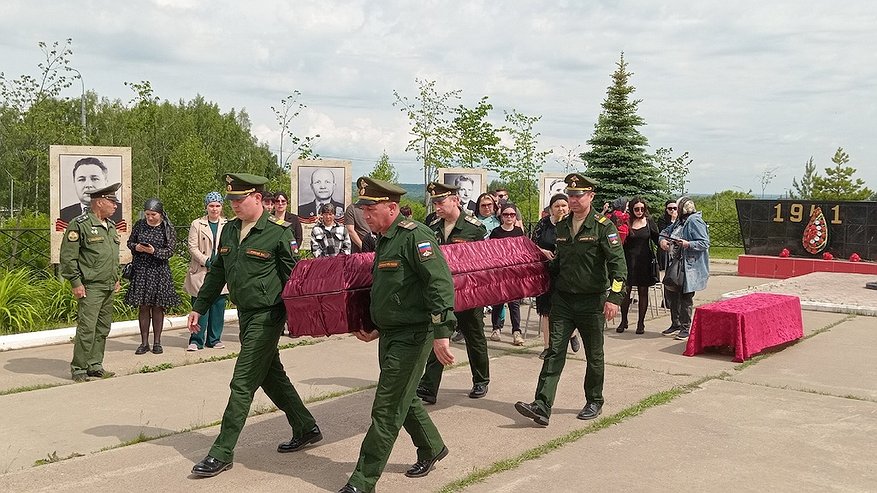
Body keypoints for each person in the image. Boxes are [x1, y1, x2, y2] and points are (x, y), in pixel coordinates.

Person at [188, 173, 321, 478]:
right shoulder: (231, 230)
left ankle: (221, 451)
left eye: (239, 199)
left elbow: (293, 280)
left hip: (268, 315)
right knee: (271, 375)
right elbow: (217, 273)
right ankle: (305, 426)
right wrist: (199, 307)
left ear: (258, 198)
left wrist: (299, 318)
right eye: (230, 199)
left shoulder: (277, 232)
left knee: (243, 380)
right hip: (245, 314)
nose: (233, 204)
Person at [339, 177, 456, 493]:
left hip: (413, 336)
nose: (365, 214)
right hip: (391, 334)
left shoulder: (415, 236)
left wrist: (443, 332)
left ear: (392, 207)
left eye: (370, 207)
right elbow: (392, 290)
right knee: (404, 397)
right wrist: (377, 325)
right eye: (362, 208)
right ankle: (432, 446)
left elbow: (439, 283)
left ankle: (363, 481)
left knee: (387, 407)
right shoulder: (384, 239)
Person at [515, 173, 627, 426]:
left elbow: (619, 266)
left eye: (578, 195)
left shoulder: (603, 226)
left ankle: (594, 400)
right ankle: (542, 406)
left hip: (592, 301)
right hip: (564, 300)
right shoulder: (562, 226)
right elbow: (560, 263)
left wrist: (614, 298)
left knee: (594, 354)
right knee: (554, 351)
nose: (573, 200)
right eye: (570, 195)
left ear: (591, 196)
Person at [416, 182, 489, 405]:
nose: (437, 207)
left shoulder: (474, 228)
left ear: (456, 200)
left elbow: (484, 263)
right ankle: (429, 386)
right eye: (434, 203)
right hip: (442, 295)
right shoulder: (433, 228)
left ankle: (480, 380)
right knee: (439, 335)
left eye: (441, 202)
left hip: (468, 293)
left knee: (474, 336)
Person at [59, 183, 122, 382]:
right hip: (90, 286)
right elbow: (69, 257)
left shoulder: (110, 226)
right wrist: (76, 283)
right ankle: (79, 368)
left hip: (108, 285)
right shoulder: (80, 224)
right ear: (100, 202)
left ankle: (95, 365)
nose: (115, 206)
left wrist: (116, 278)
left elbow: (112, 256)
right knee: (87, 328)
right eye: (112, 202)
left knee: (103, 328)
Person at [126, 198, 181, 355]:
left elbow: (170, 251)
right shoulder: (140, 225)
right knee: (143, 307)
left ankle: (157, 342)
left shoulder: (166, 228)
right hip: (142, 270)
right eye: (147, 214)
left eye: (153, 214)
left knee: (158, 307)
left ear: (160, 213)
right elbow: (130, 242)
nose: (150, 217)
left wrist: (154, 251)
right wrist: (136, 247)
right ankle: (144, 343)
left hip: (159, 271)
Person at [530, 193, 580, 359]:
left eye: (563, 205)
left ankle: (572, 333)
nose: (561, 209)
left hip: (566, 272)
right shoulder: (543, 224)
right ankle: (547, 346)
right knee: (545, 310)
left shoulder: (573, 223)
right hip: (545, 272)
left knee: (566, 308)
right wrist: (541, 251)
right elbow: (531, 244)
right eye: (557, 206)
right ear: (551, 209)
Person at [659, 196, 710, 341]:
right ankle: (675, 324)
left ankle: (685, 328)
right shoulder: (680, 221)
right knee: (671, 292)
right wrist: (662, 240)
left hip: (689, 266)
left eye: (677, 207)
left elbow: (704, 243)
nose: (675, 210)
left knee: (685, 296)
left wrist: (688, 244)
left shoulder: (694, 221)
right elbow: (664, 232)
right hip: (675, 263)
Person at [183, 192, 228, 351]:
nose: (214, 209)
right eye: (211, 206)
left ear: (222, 207)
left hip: (220, 269)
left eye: (217, 205)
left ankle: (214, 339)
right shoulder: (197, 224)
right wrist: (206, 261)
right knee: (199, 306)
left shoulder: (227, 224)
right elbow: (192, 247)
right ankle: (196, 340)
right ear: (206, 207)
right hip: (201, 269)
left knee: (218, 306)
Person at [617, 197, 660, 334]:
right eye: (636, 209)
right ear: (632, 209)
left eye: (642, 209)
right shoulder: (626, 221)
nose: (640, 211)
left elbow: (657, 238)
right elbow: (619, 239)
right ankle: (624, 320)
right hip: (628, 261)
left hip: (644, 261)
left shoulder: (649, 222)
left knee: (643, 292)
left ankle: (641, 323)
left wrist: (664, 244)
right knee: (625, 291)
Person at [488, 203, 526, 345]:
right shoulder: (496, 232)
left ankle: (516, 331)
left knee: (514, 303)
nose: (509, 217)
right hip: (499, 271)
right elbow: (491, 252)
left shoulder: (518, 231)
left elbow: (522, 251)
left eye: (512, 214)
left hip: (514, 271)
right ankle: (496, 328)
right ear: (501, 216)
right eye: (506, 214)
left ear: (516, 216)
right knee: (498, 301)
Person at [57, 157, 123, 227]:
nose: (88, 185)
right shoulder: (63, 215)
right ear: (74, 182)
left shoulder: (121, 212)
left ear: (105, 181)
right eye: (81, 179)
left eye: (94, 179)